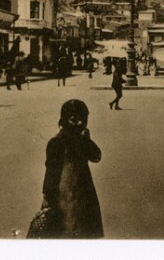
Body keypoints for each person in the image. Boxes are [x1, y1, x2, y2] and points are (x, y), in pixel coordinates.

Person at [41, 99, 103, 238]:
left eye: (83, 120)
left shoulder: (81, 140)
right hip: (63, 196)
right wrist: (47, 197)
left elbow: (96, 156)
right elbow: (51, 172)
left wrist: (87, 140)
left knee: (83, 231)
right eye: (74, 120)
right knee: (64, 230)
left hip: (83, 194)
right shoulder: (56, 142)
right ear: (64, 120)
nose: (79, 124)